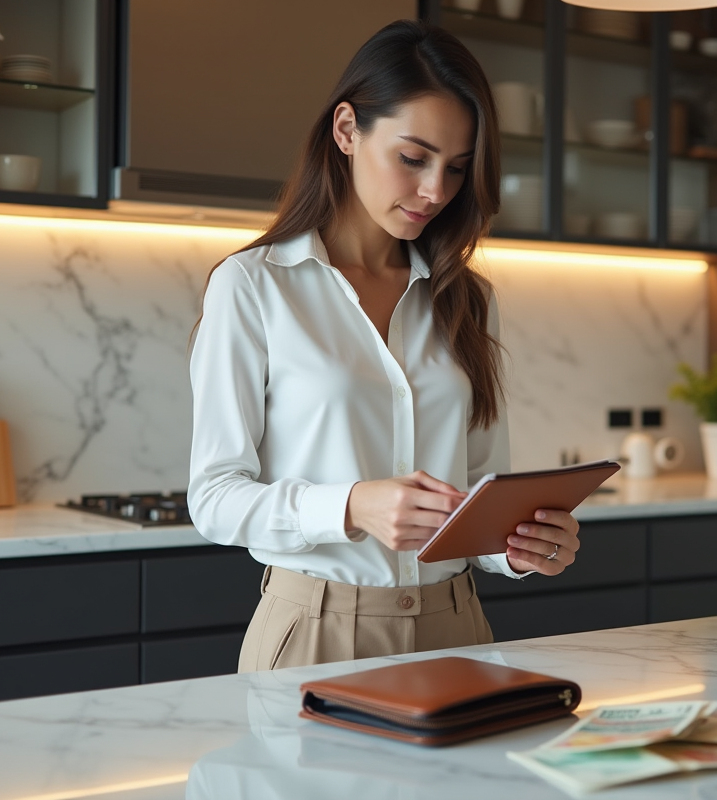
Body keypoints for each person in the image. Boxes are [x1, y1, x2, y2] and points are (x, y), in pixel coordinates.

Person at [188, 20, 581, 672]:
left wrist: (517, 546)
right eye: (412, 157)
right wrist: (350, 505)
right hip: (316, 634)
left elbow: (479, 490)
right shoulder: (253, 287)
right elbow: (214, 498)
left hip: (458, 627)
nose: (436, 191)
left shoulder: (467, 297)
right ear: (347, 131)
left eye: (456, 168)